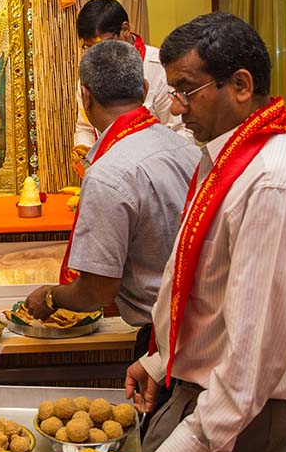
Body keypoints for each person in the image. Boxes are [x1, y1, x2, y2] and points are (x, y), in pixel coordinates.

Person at [125, 13, 286, 452]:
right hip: (210, 393)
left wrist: (188, 448)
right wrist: (160, 359)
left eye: (186, 90)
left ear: (240, 85)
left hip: (245, 415)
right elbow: (205, 288)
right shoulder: (229, 158)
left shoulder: (275, 185)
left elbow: (256, 351)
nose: (176, 107)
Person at [25, 40, 197, 366]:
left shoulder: (109, 173)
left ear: (85, 97)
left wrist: (50, 296)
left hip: (160, 339)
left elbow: (98, 292)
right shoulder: (186, 149)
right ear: (145, 89)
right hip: (200, 324)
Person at [72, 0, 188, 159]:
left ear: (125, 29)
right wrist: (84, 149)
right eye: (89, 48)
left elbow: (180, 132)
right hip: (106, 168)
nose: (97, 54)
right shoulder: (89, 72)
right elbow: (85, 127)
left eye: (103, 45)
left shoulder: (159, 68)